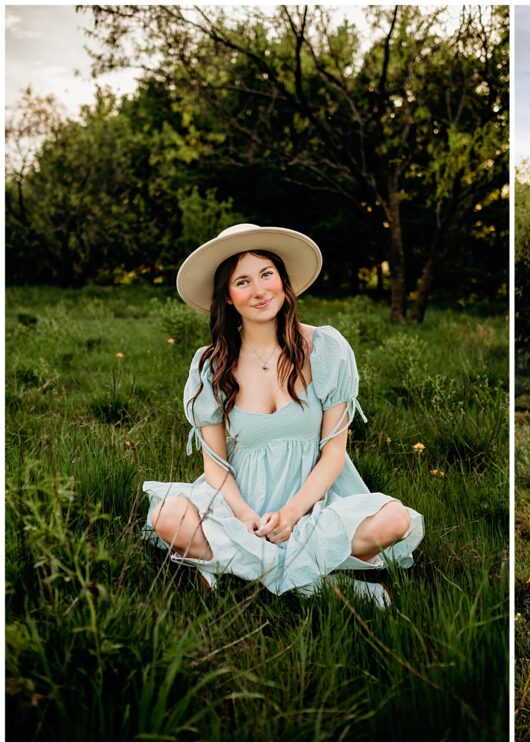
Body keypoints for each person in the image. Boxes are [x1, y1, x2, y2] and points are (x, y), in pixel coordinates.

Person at [142, 223, 424, 605]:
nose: (259, 291)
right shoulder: (211, 365)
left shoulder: (326, 349)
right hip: (240, 505)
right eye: (242, 282)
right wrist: (243, 516)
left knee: (395, 519)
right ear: (227, 297)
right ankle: (320, 583)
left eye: (266, 274)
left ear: (283, 280)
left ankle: (236, 570)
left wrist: (292, 514)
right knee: (168, 515)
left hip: (314, 505)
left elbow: (333, 453)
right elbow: (215, 466)